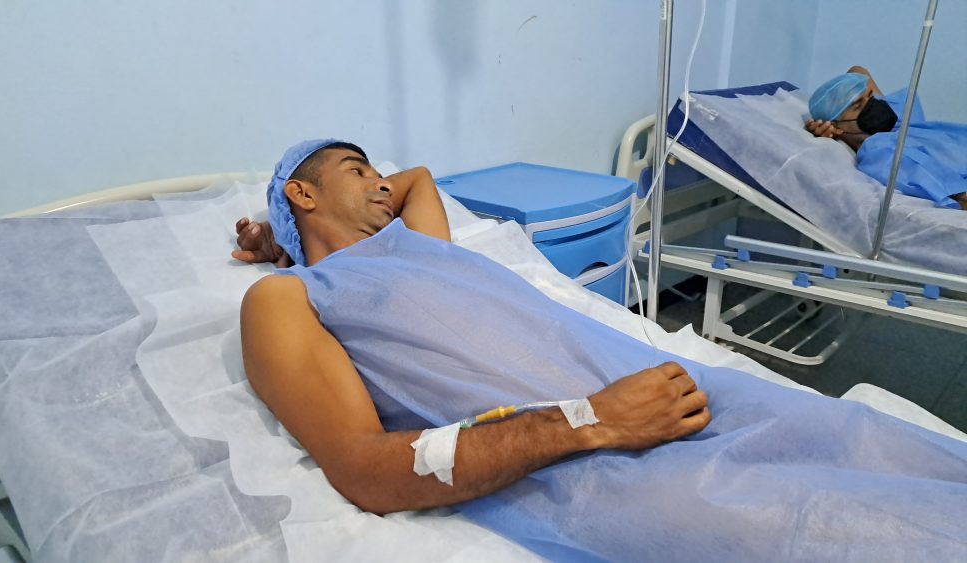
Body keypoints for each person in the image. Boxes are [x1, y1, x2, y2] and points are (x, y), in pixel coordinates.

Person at [237, 139, 967, 560]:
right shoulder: (291, 297)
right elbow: (362, 468)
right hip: (590, 459)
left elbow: (418, 179)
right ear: (305, 191)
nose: (380, 182)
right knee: (843, 532)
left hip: (675, 387)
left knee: (860, 435)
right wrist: (594, 420)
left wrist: (287, 230)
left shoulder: (418, 241)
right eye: (357, 169)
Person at [806, 65, 967, 211]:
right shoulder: (878, 149)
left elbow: (858, 70)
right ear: (836, 126)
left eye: (870, 97)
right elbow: (941, 185)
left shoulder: (900, 122)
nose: (873, 104)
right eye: (859, 105)